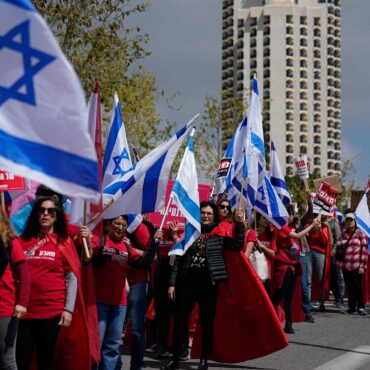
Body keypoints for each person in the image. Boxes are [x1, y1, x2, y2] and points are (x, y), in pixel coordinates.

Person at [162, 201, 245, 370]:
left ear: (214, 216)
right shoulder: (190, 232)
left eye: (209, 213)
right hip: (187, 282)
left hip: (209, 283)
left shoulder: (220, 233)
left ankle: (203, 360)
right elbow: (179, 258)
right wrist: (172, 283)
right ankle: (176, 359)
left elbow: (237, 245)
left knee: (207, 322)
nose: (205, 216)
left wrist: (240, 223)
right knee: (180, 321)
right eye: (203, 213)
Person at [14, 197, 79, 370]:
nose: (45, 214)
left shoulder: (64, 242)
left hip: (51, 311)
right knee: (22, 359)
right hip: (23, 311)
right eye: (42, 210)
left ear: (56, 217)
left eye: (51, 211)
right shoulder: (21, 242)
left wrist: (68, 309)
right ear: (36, 214)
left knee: (46, 359)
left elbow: (72, 277)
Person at [91, 215, 161, 370]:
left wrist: (155, 241)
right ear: (108, 225)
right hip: (100, 302)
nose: (120, 227)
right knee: (96, 343)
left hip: (119, 304)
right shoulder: (99, 241)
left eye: (123, 224)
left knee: (112, 346)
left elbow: (145, 260)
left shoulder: (126, 246)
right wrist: (109, 258)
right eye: (116, 223)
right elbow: (92, 260)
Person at [272, 207, 321, 334]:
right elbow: (299, 235)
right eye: (289, 214)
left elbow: (305, 219)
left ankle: (289, 323)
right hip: (283, 266)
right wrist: (311, 226)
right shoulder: (281, 227)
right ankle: (270, 317)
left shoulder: (291, 226)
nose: (291, 216)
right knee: (279, 295)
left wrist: (316, 214)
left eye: (291, 214)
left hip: (292, 265)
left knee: (289, 296)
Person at [0, 208, 30, 370]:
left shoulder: (10, 241)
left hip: (4, 308)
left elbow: (24, 275)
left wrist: (22, 302)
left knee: (7, 360)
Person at [336, 211, 368, 315]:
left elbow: (364, 250)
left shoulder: (360, 233)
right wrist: (338, 244)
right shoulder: (343, 233)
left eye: (351, 220)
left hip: (356, 265)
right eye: (347, 220)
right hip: (345, 265)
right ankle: (351, 307)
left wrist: (362, 266)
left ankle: (361, 307)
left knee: (357, 287)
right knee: (349, 287)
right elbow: (340, 248)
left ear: (355, 221)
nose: (349, 222)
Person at [306, 214, 331, 312]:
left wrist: (319, 230)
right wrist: (311, 228)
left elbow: (325, 242)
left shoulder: (325, 227)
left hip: (320, 254)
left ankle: (321, 303)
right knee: (308, 278)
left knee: (321, 278)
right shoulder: (309, 226)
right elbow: (306, 239)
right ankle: (307, 303)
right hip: (309, 252)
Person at [252, 213, 277, 295]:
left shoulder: (271, 235)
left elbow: (273, 253)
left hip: (266, 272)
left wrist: (262, 246)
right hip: (253, 270)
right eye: (264, 218)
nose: (266, 220)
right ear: (257, 219)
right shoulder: (250, 232)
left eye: (267, 218)